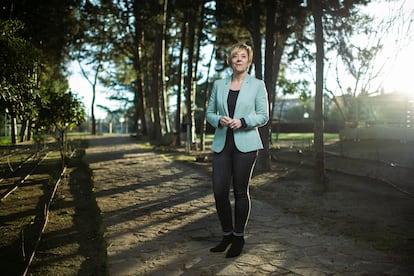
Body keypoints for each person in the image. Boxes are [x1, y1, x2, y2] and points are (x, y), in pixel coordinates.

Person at [206, 42, 269, 258]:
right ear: (230, 61)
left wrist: (243, 121)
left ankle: (239, 237)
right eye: (235, 56)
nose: (239, 59)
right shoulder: (219, 85)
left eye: (243, 56)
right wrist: (219, 119)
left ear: (249, 61)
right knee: (219, 191)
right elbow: (209, 113)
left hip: (246, 145)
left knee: (241, 191)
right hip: (222, 144)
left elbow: (263, 115)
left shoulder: (257, 85)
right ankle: (226, 234)